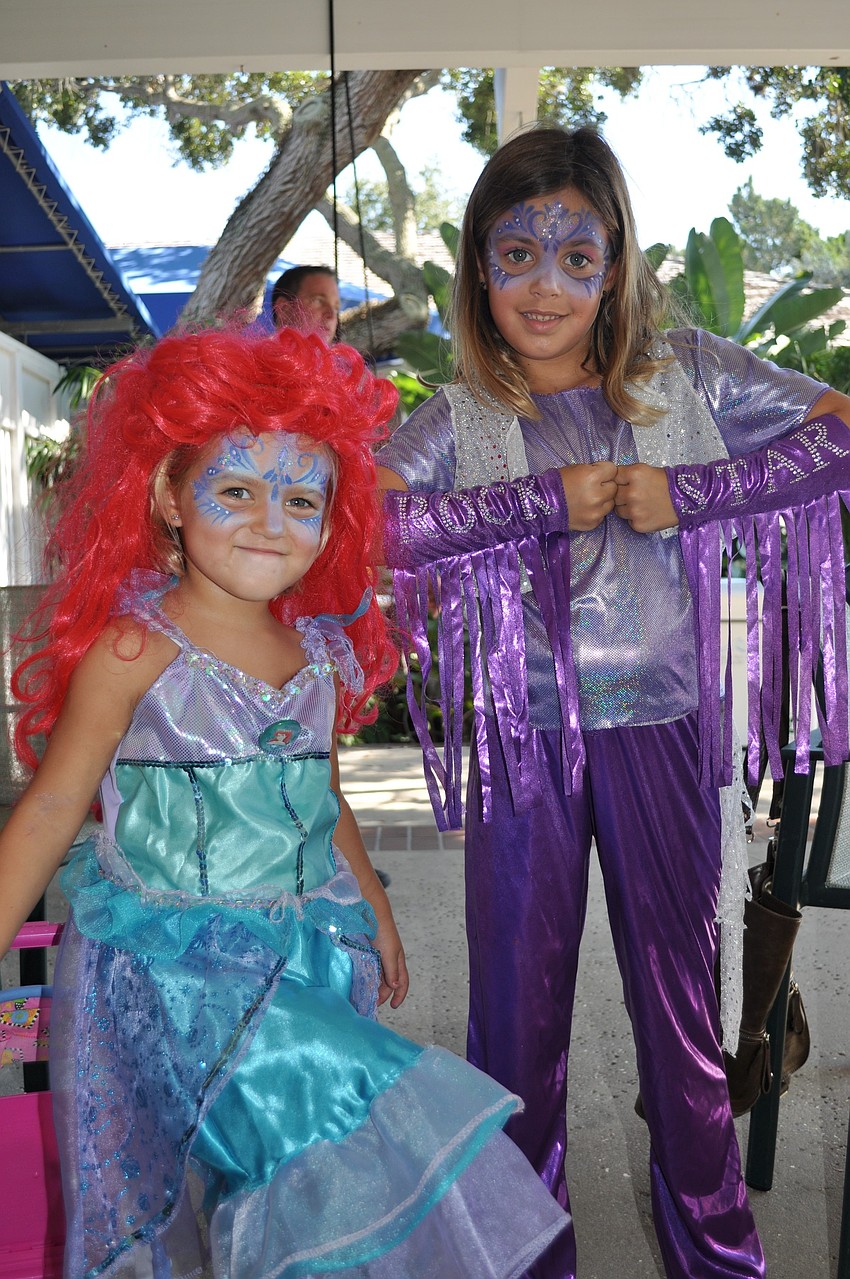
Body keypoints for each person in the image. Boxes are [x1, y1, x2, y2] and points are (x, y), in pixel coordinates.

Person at [376, 124, 850, 1279]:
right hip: (522, 746)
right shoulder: (456, 416)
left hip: (663, 731)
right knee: (513, 1031)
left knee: (681, 1028)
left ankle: (719, 1260)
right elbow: (371, 523)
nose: (545, 286)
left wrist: (695, 491)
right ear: (478, 269)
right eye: (516, 253)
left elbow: (839, 428)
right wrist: (537, 503)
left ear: (615, 263)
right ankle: (527, 1261)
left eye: (575, 258)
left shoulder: (683, 373)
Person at [0, 326, 570, 1278]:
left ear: (332, 522)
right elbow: (55, 806)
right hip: (178, 972)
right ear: (167, 497)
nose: (271, 520)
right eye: (236, 489)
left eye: (302, 499)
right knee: (350, 1118)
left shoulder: (316, 653)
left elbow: (321, 796)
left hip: (305, 949)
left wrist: (377, 908)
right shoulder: (135, 652)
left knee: (284, 1177)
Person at [271, 264, 341, 343]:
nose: (331, 315)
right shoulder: (257, 355)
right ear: (284, 309)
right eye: (318, 301)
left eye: (336, 308)